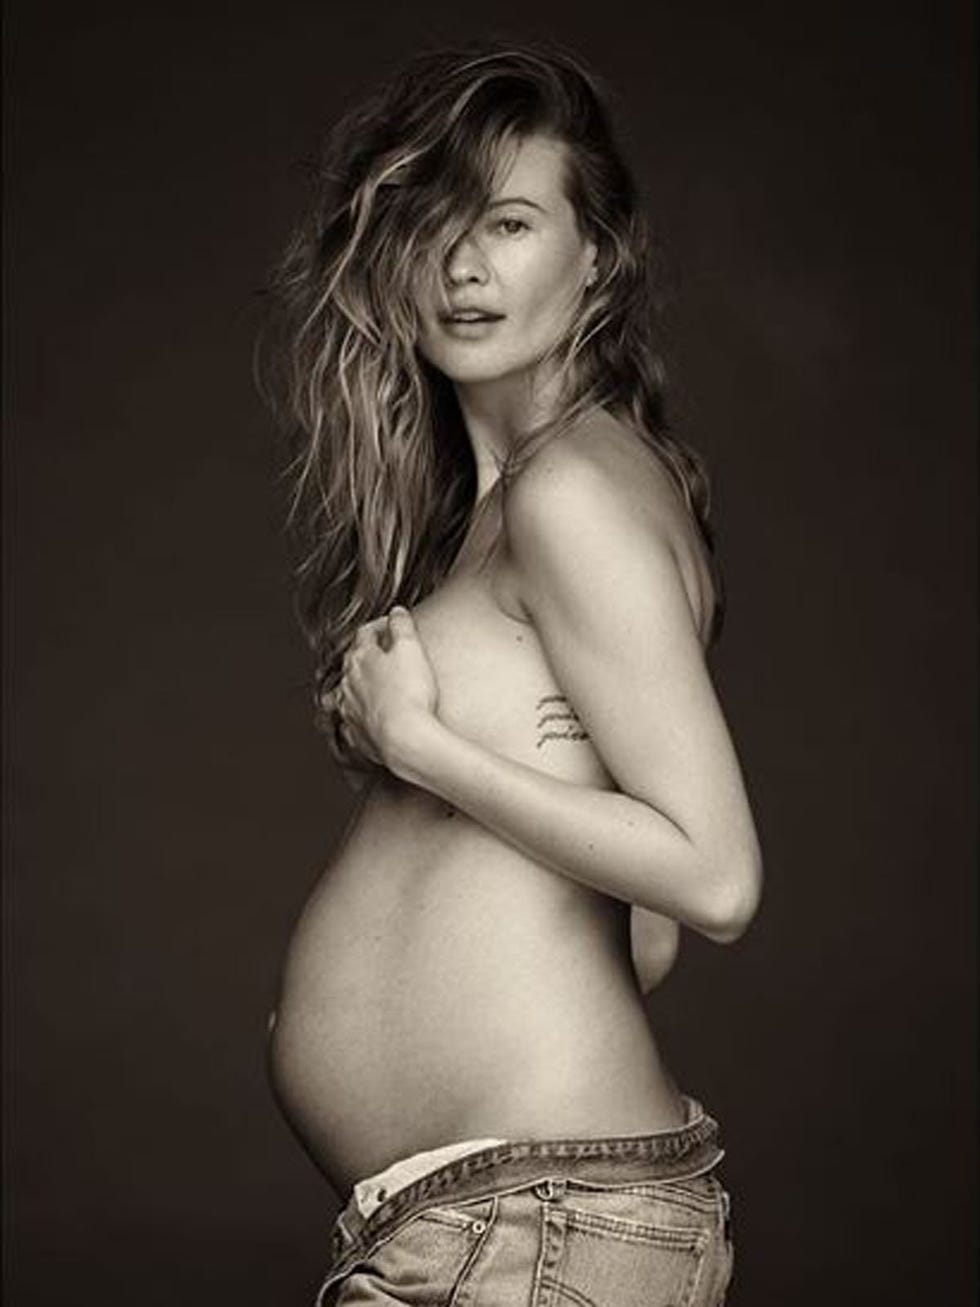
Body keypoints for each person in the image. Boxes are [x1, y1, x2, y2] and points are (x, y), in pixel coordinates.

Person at [258, 38, 762, 1306]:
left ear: (594, 256)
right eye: (432, 223)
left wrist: (425, 750)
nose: (465, 264)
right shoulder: (517, 505)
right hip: (499, 1225)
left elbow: (713, 875)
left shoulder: (574, 492)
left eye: (512, 220)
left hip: (546, 1230)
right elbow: (634, 939)